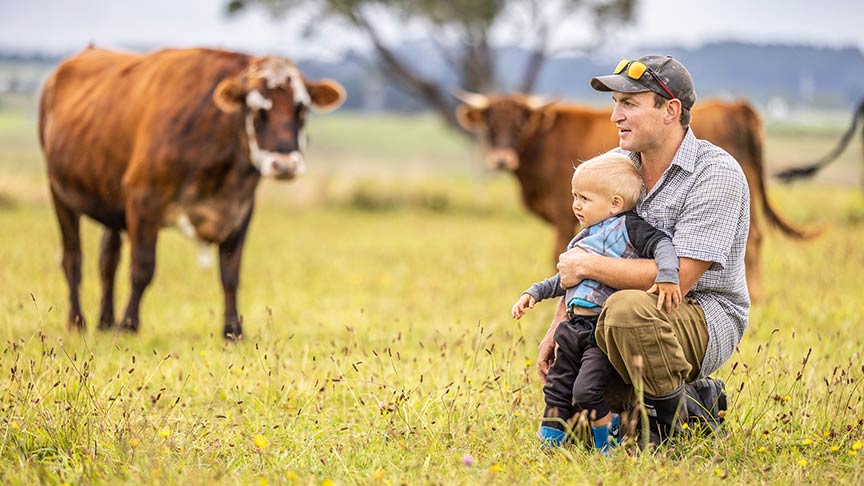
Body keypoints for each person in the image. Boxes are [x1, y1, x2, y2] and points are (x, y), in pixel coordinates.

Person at [537, 55, 748, 444]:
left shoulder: (716, 174)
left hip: (699, 312)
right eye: (615, 103)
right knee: (582, 423)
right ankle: (684, 403)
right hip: (613, 316)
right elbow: (588, 247)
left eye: (629, 104)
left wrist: (588, 267)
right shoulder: (617, 166)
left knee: (626, 310)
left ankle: (678, 420)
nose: (615, 115)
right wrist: (559, 325)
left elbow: (679, 278)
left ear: (671, 110)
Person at [512, 153, 682, 452]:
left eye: (585, 198)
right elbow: (564, 280)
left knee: (586, 390)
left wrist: (668, 274)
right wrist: (534, 293)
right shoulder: (582, 239)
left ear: (615, 203)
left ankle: (608, 436)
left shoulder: (630, 229)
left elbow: (663, 245)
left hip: (600, 331)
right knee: (557, 386)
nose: (576, 205)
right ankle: (549, 442)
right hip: (572, 326)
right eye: (574, 196)